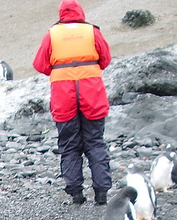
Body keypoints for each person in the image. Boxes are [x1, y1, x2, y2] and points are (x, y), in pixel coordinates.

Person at [33, 0, 113, 205]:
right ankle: (101, 192)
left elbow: (40, 64)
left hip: (63, 94)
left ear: (61, 14)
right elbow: (105, 59)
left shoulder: (52, 34)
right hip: (91, 92)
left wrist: (62, 69)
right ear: (80, 12)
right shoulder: (92, 31)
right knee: (95, 141)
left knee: (69, 144)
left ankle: (76, 193)